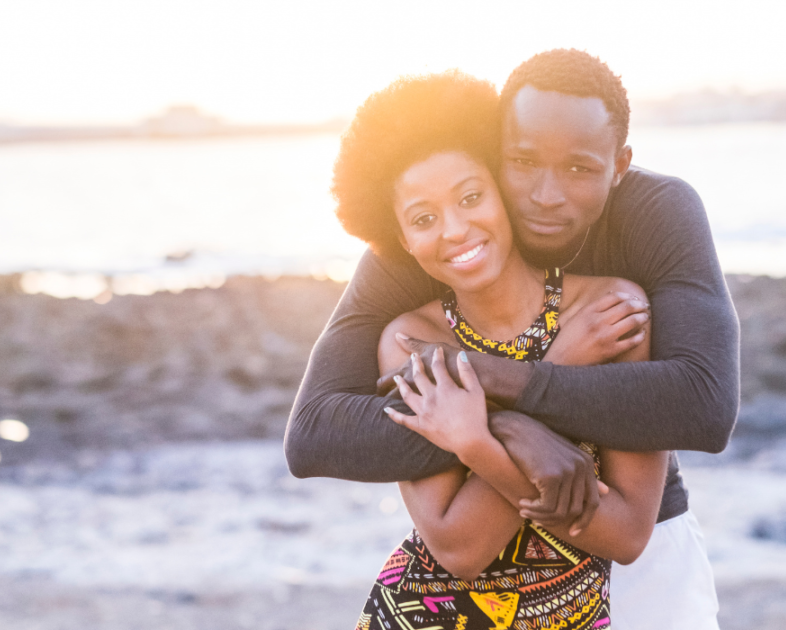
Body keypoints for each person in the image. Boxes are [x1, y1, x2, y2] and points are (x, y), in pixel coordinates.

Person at [286, 49, 737, 629]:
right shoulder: (427, 249)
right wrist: (507, 425)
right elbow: (314, 435)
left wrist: (492, 384)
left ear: (618, 164)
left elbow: (703, 406)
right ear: (496, 150)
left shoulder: (644, 233)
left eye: (578, 168)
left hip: (639, 559)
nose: (547, 194)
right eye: (523, 161)